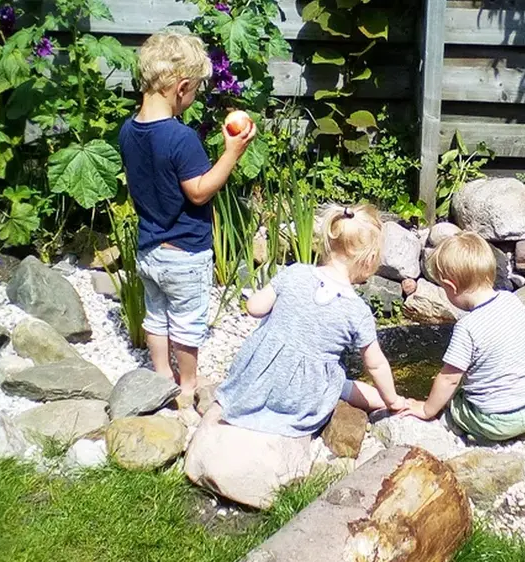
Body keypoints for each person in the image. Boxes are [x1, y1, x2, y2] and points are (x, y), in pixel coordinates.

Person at [119, 31, 256, 408]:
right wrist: (233, 152)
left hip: (148, 249)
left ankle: (161, 375)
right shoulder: (181, 138)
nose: (194, 96)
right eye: (195, 89)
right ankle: (189, 386)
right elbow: (199, 190)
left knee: (156, 316)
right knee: (186, 322)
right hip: (185, 252)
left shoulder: (128, 132)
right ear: (181, 87)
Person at [215, 204, 407, 438]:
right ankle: (396, 403)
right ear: (369, 261)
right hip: (303, 397)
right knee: (344, 385)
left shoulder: (295, 272)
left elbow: (254, 307)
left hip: (259, 377)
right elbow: (376, 365)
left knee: (333, 377)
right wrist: (392, 398)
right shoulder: (357, 310)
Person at [402, 231, 525, 441]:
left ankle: (454, 429)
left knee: (456, 396)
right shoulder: (511, 300)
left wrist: (426, 409)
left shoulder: (467, 327)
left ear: (451, 286)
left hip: (494, 421)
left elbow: (449, 378)